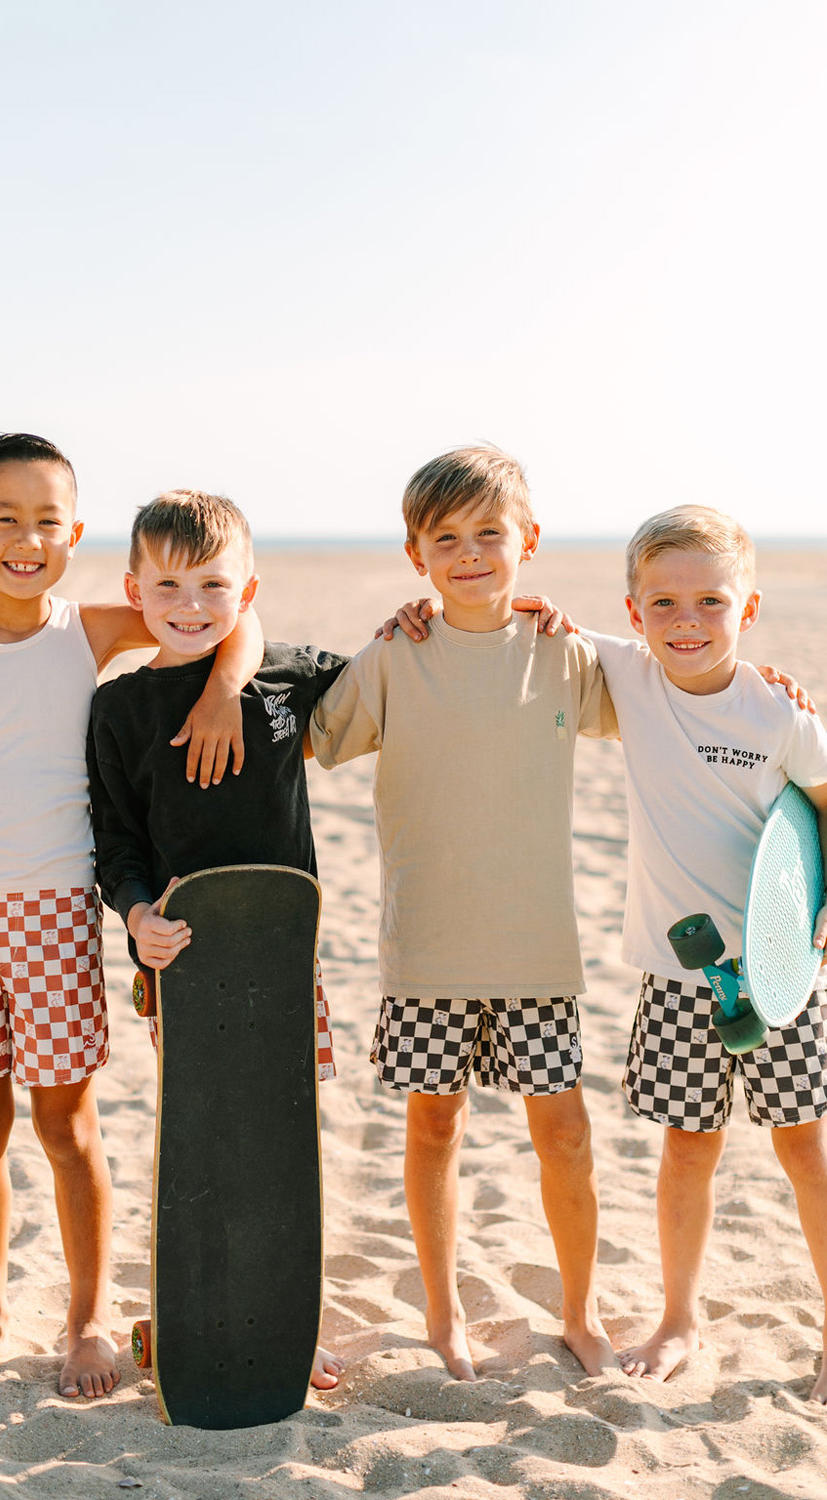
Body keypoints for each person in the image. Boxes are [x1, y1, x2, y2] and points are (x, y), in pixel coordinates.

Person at [0, 434, 261, 1399]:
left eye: (48, 521)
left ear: (76, 534)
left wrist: (224, 691)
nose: (27, 538)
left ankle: (88, 1319)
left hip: (57, 918)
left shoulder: (90, 630)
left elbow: (235, 626)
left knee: (69, 1127)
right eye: (4, 519)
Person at [307, 444, 620, 1382]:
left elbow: (675, 684)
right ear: (418, 556)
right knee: (433, 1126)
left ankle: (580, 1311)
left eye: (491, 533)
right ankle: (442, 1315)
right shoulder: (397, 655)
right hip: (429, 949)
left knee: (563, 1133)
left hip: (539, 951)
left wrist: (773, 691)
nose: (471, 552)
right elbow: (307, 732)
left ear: (528, 539)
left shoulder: (566, 653)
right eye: (447, 538)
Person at [86, 487, 354, 1391]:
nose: (191, 606)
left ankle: (287, 1320)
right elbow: (115, 841)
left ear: (247, 590)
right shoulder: (120, 709)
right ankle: (192, 1310)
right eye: (167, 587)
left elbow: (401, 679)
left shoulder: (285, 676)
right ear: (134, 589)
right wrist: (135, 917)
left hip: (285, 959)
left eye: (213, 586)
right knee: (202, 1144)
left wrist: (230, 681)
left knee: (284, 1148)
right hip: (182, 965)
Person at [579, 506, 827, 1402]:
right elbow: (535, 632)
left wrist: (819, 911)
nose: (686, 620)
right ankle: (679, 1317)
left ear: (747, 608)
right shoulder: (628, 677)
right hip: (681, 977)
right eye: (664, 603)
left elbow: (823, 802)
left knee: (806, 1149)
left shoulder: (777, 711)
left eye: (711, 601)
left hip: (780, 974)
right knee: (689, 1147)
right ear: (635, 609)